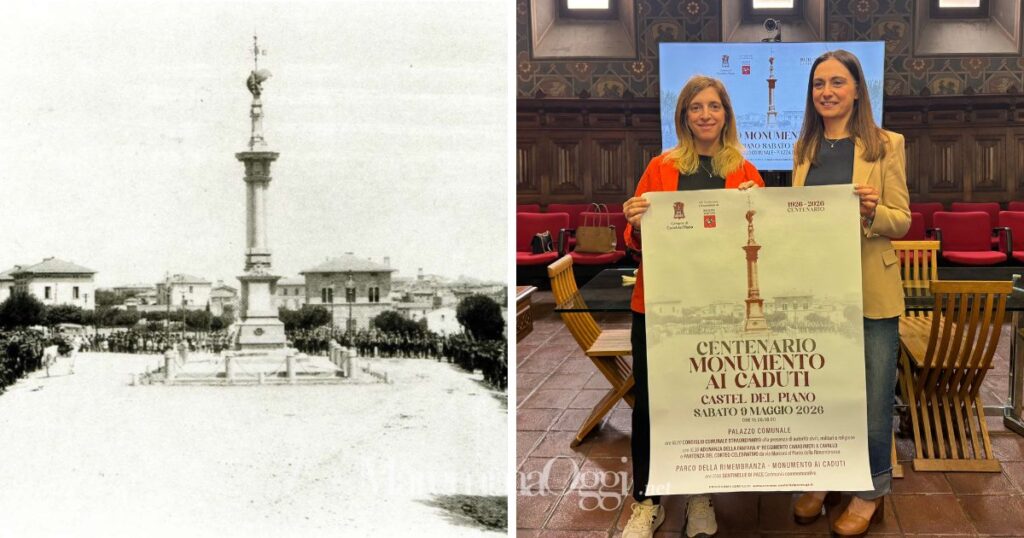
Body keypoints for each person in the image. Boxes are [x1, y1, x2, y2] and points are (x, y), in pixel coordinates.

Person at [621, 75, 764, 538]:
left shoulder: (744, 170)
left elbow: (766, 235)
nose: (705, 114)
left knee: (708, 401)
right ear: (683, 116)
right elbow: (635, 242)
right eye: (695, 107)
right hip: (659, 304)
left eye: (714, 106)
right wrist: (636, 222)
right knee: (652, 402)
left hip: (719, 305)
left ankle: (700, 495)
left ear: (726, 114)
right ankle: (647, 499)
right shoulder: (660, 167)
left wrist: (757, 208)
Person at [789, 49, 910, 537]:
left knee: (875, 396)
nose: (827, 92)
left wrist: (873, 209)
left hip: (870, 289)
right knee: (823, 393)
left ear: (858, 90)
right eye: (819, 84)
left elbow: (900, 220)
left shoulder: (886, 145)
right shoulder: (804, 149)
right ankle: (825, 475)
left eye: (838, 82)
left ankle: (870, 490)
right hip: (818, 292)